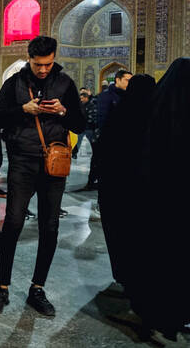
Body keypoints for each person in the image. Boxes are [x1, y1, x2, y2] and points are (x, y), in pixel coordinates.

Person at [0, 36, 84, 316]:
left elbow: (80, 123)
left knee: (49, 227)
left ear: (54, 59)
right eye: (38, 64)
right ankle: (2, 287)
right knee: (13, 223)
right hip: (22, 162)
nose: (42, 70)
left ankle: (37, 288)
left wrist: (63, 111)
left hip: (53, 163)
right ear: (29, 58)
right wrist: (22, 110)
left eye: (48, 64)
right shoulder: (14, 83)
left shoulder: (65, 83)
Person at [125, 59, 190, 340]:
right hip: (180, 205)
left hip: (154, 202)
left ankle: (151, 313)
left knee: (155, 260)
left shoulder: (152, 112)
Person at [96, 74, 154, 289]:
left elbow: (104, 149)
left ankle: (123, 276)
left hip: (115, 188)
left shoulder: (120, 113)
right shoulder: (156, 115)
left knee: (120, 234)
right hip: (142, 189)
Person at [97, 69, 132, 135]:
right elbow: (103, 119)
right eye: (127, 80)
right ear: (118, 80)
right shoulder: (106, 95)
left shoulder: (129, 95)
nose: (130, 83)